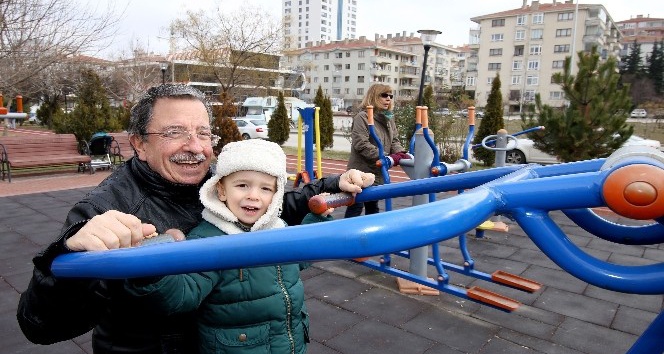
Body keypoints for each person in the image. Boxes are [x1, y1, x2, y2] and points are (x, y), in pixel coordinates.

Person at [16, 84, 375, 354]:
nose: (196, 146)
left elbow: (274, 202)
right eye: (175, 133)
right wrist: (66, 254)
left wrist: (332, 185)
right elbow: (40, 327)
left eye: (204, 133)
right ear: (139, 144)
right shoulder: (109, 209)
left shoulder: (214, 181)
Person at [126, 139, 332, 354]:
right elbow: (182, 294)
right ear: (222, 191)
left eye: (265, 188)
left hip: (289, 343)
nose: (253, 195)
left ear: (276, 195)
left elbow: (299, 257)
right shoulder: (210, 241)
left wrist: (317, 220)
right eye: (242, 185)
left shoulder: (276, 229)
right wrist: (151, 272)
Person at [345, 83, 408, 218]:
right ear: (373, 96)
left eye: (390, 96)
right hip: (360, 172)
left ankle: (371, 236)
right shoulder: (362, 117)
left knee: (373, 207)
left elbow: (394, 140)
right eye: (384, 95)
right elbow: (361, 143)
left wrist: (401, 154)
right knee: (355, 207)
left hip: (377, 171)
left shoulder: (388, 119)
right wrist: (384, 157)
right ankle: (346, 236)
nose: (388, 99)